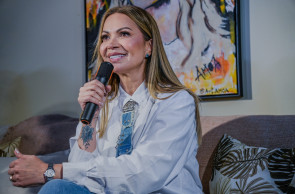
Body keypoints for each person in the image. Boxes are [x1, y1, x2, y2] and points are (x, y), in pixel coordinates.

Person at [8, 5, 203, 193]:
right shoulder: (103, 104)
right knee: (58, 189)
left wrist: (52, 170)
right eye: (105, 37)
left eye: (124, 34)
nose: (111, 44)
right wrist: (90, 121)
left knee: (56, 186)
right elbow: (81, 171)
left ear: (148, 46)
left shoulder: (176, 101)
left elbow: (143, 174)